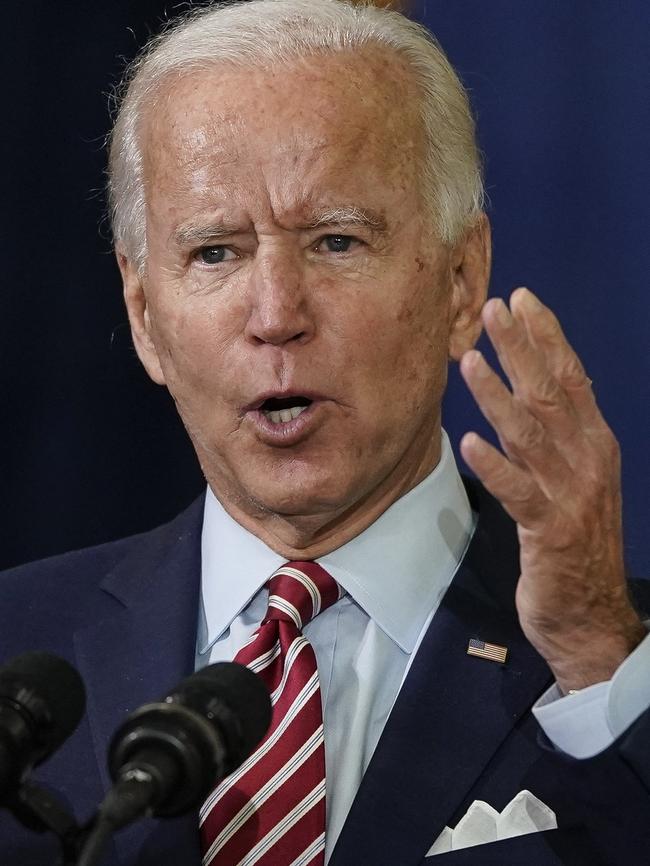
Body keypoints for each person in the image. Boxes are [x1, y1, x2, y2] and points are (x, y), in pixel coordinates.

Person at [1, 1, 649, 864]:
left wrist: (596, 653)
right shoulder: (17, 644)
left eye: (337, 241)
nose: (276, 316)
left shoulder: (609, 657)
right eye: (216, 253)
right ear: (143, 314)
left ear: (461, 280)